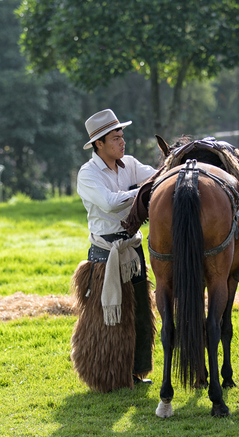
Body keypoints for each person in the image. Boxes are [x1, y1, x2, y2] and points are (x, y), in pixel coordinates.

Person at [71, 109, 157, 393]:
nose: (123, 142)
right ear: (99, 144)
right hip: (105, 253)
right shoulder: (87, 174)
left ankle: (136, 371)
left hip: (132, 249)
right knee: (107, 316)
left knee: (140, 312)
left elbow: (158, 177)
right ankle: (106, 378)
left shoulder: (130, 164)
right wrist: (143, 191)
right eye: (116, 138)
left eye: (122, 136)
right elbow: (109, 203)